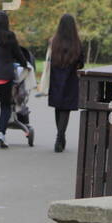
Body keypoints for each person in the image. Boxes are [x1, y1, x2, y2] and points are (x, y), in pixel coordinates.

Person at [0, 10, 27, 148]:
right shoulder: (10, 37)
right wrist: (25, 64)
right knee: (5, 106)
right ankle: (1, 133)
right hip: (6, 77)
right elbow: (18, 54)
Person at [46, 13, 84, 152]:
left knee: (58, 107)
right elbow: (81, 63)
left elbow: (50, 60)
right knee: (65, 109)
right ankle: (60, 137)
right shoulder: (77, 43)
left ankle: (60, 137)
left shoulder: (54, 42)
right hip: (70, 80)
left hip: (56, 79)